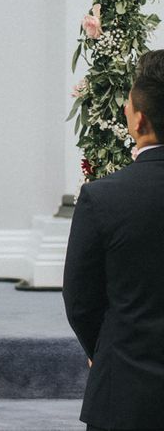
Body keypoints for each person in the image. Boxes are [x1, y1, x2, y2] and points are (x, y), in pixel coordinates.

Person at [63, 50, 164, 431]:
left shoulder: (103, 197)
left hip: (126, 392)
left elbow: (80, 301)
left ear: (138, 119)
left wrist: (104, 352)